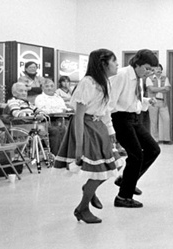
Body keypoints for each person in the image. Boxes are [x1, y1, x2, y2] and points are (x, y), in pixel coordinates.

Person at [54, 48, 120, 224]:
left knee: (115, 166)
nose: (117, 65)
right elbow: (79, 115)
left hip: (99, 128)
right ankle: (82, 208)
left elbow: (106, 112)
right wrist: (79, 146)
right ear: (103, 63)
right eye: (114, 61)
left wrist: (111, 132)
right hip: (87, 128)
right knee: (99, 171)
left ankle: (88, 191)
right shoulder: (88, 83)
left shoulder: (106, 82)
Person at [109, 49, 160, 208]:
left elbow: (131, 100)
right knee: (136, 155)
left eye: (151, 70)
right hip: (120, 118)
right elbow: (111, 102)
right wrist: (109, 128)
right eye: (146, 68)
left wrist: (145, 101)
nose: (148, 72)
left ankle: (126, 181)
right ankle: (123, 197)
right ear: (136, 64)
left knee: (153, 149)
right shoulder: (122, 74)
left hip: (133, 118)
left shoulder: (137, 77)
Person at [34, 79, 69, 155]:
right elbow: (43, 111)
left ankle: (65, 155)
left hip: (59, 120)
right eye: (47, 86)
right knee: (55, 131)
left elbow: (63, 110)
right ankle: (56, 155)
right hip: (45, 122)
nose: (49, 88)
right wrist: (55, 110)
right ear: (43, 88)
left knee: (65, 129)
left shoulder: (58, 98)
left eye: (51, 86)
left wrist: (53, 110)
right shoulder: (39, 98)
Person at [146, 64, 172, 144]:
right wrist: (163, 88)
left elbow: (167, 89)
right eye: (156, 69)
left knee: (167, 119)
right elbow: (151, 89)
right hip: (153, 102)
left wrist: (157, 89)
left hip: (163, 101)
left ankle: (166, 139)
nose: (158, 70)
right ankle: (155, 140)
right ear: (153, 70)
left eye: (159, 69)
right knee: (153, 121)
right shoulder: (149, 78)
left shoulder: (165, 78)